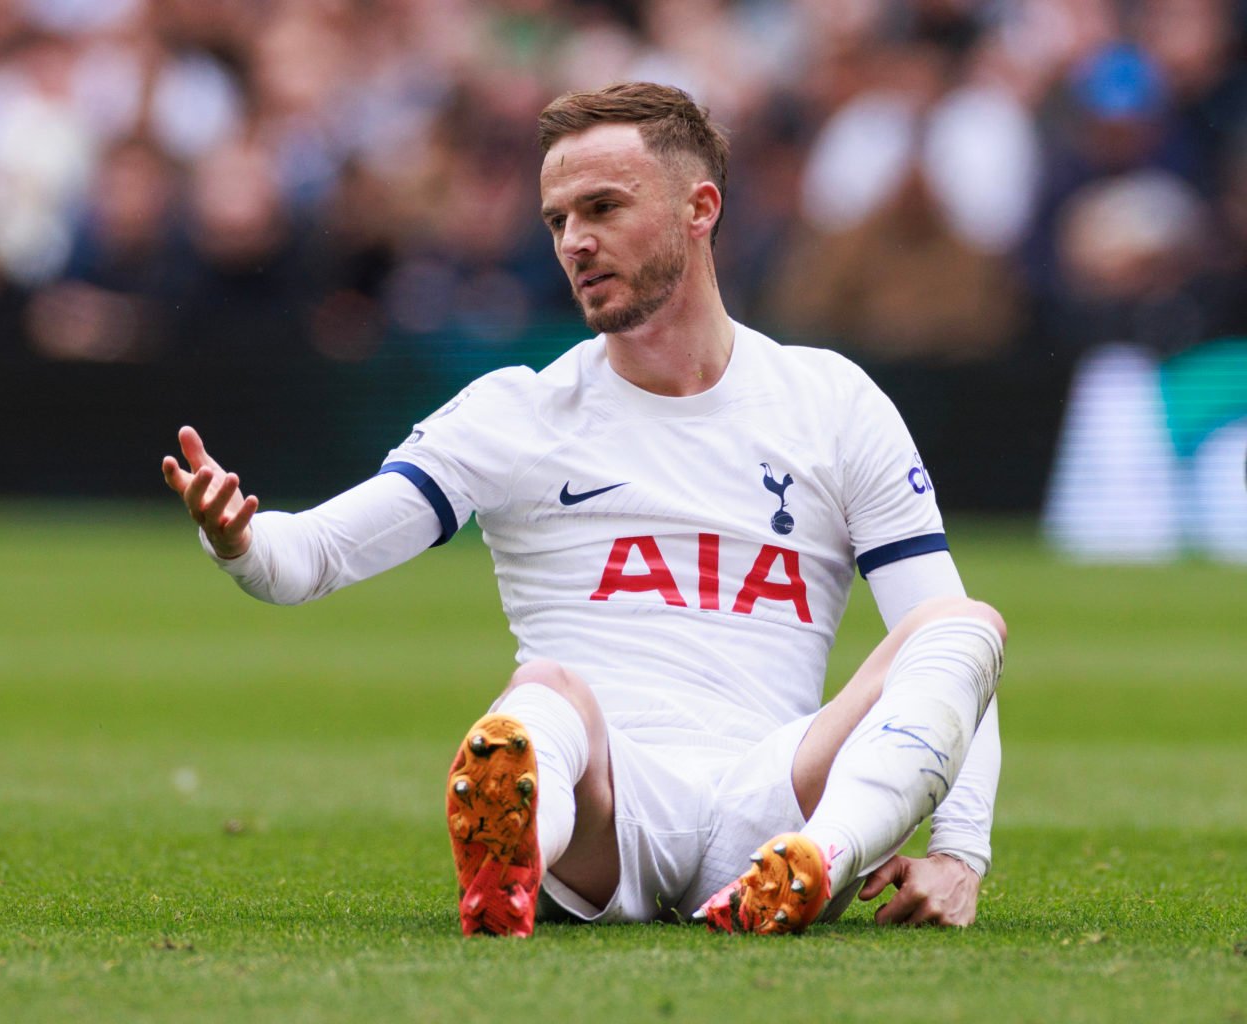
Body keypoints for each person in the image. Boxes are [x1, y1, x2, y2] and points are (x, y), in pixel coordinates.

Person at [162, 82, 1006, 938]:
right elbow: (310, 558)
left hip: (781, 788)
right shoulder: (518, 413)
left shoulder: (831, 400)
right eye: (557, 220)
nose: (576, 241)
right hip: (607, 797)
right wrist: (239, 537)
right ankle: (511, 865)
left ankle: (810, 859)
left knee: (965, 623)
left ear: (699, 208)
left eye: (602, 207)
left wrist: (958, 853)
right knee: (545, 692)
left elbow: (954, 662)